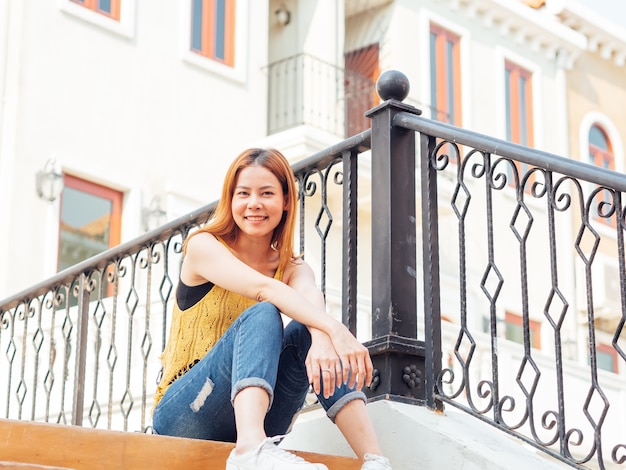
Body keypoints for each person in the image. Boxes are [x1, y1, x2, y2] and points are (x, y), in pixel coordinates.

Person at [152, 148, 392, 470]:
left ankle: (374, 461)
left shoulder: (293, 266)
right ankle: (250, 450)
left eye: (266, 193)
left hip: (256, 416)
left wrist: (322, 336)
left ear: (286, 201)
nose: (254, 203)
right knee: (265, 312)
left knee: (309, 331)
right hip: (186, 413)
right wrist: (336, 329)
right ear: (230, 200)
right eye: (243, 194)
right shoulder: (203, 246)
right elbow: (264, 289)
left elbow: (310, 302)